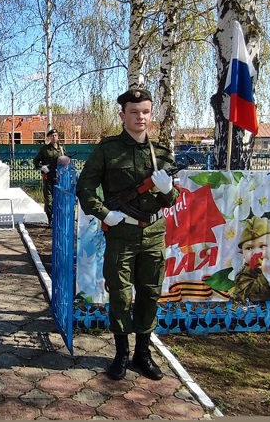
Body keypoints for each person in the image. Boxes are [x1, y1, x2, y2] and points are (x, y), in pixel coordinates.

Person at [76, 88, 178, 381]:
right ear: (123, 116)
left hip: (155, 234)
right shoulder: (107, 150)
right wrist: (104, 214)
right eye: (134, 112)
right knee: (120, 296)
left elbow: (173, 198)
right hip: (122, 234)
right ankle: (121, 353)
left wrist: (168, 190)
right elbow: (85, 187)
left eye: (145, 111)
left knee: (150, 293)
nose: (140, 117)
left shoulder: (161, 154)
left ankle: (142, 353)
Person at [231, 215, 270, 303]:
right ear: (242, 253)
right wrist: (266, 276)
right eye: (249, 248)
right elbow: (251, 297)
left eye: (262, 246)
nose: (256, 252)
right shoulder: (244, 275)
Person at [33, 128, 66, 225]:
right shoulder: (45, 149)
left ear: (58, 137)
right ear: (49, 137)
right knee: (49, 200)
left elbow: (65, 161)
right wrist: (42, 167)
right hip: (48, 177)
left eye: (55, 135)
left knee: (60, 198)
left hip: (59, 177)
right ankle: (50, 220)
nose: (54, 137)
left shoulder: (62, 149)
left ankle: (58, 219)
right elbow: (35, 162)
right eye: (51, 136)